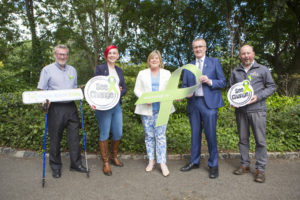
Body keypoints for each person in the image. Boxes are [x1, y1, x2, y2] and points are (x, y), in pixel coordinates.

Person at [37, 44, 87, 178]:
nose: (62, 56)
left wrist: (80, 93)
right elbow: (41, 90)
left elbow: (75, 88)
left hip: (71, 107)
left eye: (65, 54)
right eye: (60, 54)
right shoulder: (47, 70)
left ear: (67, 56)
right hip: (55, 108)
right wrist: (44, 102)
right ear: (55, 55)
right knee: (55, 139)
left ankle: (76, 164)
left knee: (74, 137)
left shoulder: (73, 70)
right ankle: (55, 167)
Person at [180, 38, 226, 179]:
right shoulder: (189, 66)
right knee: (195, 135)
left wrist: (210, 81)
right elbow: (184, 86)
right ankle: (194, 161)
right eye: (195, 47)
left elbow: (223, 82)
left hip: (209, 104)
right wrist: (186, 92)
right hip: (194, 104)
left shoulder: (214, 62)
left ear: (205, 48)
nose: (198, 49)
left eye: (200, 47)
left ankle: (213, 165)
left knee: (211, 135)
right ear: (193, 49)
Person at [230, 44, 276, 183]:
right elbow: (232, 90)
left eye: (248, 53)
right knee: (243, 139)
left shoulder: (262, 69)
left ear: (253, 54)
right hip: (241, 111)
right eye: (243, 54)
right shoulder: (235, 72)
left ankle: (260, 170)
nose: (246, 56)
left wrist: (259, 96)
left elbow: (272, 87)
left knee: (260, 141)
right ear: (240, 56)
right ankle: (244, 165)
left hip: (258, 110)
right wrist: (232, 101)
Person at [134, 50, 175, 177]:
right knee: (149, 136)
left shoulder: (167, 73)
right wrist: (145, 99)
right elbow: (137, 89)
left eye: (157, 58)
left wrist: (176, 95)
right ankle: (151, 161)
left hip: (163, 109)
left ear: (160, 60)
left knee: (161, 136)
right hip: (147, 110)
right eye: (152, 58)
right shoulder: (142, 73)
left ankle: (162, 163)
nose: (154, 60)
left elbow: (172, 89)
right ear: (149, 60)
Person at [94, 45, 127, 176]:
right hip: (103, 107)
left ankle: (114, 157)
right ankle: (106, 162)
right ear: (106, 55)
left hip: (116, 105)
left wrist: (120, 91)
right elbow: (95, 86)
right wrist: (93, 102)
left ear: (118, 55)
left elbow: (124, 88)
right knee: (104, 133)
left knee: (118, 133)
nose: (112, 55)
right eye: (109, 53)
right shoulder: (100, 69)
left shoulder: (119, 70)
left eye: (114, 53)